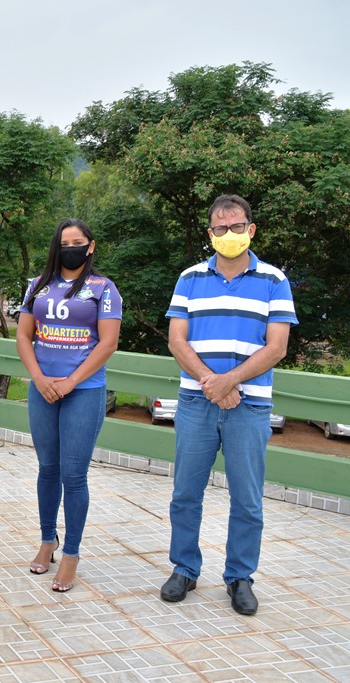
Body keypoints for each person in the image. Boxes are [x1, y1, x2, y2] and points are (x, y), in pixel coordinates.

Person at [159, 194, 297, 616]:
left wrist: (230, 381)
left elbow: (276, 348)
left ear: (250, 230)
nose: (229, 235)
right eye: (220, 229)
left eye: (237, 227)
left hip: (249, 405)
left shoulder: (274, 280)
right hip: (197, 401)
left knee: (248, 498)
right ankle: (185, 567)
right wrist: (212, 383)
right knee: (185, 492)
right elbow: (176, 340)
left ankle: (239, 576)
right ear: (210, 234)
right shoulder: (190, 278)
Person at [16, 218, 121, 593]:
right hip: (42, 389)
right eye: (65, 242)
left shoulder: (103, 288)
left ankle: (72, 553)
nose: (71, 247)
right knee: (48, 467)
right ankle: (48, 540)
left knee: (74, 475)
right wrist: (40, 379)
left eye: (79, 242)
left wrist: (72, 382)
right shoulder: (37, 286)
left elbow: (107, 343)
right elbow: (24, 337)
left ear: (90, 246)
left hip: (84, 390)